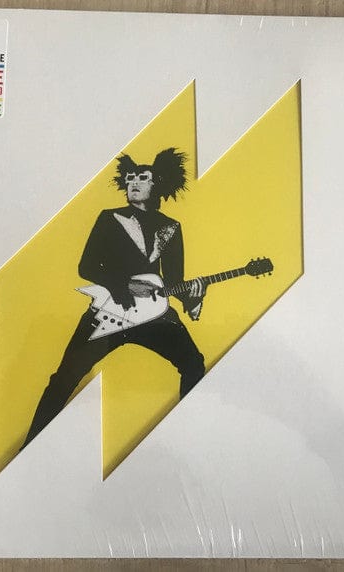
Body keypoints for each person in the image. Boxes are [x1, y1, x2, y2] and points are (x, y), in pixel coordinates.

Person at [22, 148, 206, 449]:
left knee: (194, 365)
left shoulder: (171, 227)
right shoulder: (110, 218)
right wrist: (126, 284)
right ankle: (28, 446)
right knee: (65, 376)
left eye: (142, 178)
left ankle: (185, 445)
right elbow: (87, 267)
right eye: (130, 177)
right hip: (109, 311)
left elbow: (173, 283)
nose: (134, 182)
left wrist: (194, 298)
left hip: (154, 316)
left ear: (158, 183)